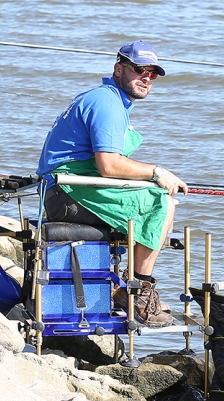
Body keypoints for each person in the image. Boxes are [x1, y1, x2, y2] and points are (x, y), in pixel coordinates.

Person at [36, 40, 187, 327]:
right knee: (162, 203)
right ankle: (138, 294)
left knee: (156, 198)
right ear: (119, 69)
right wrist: (157, 172)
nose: (146, 78)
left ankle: (126, 290)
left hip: (66, 189)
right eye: (140, 69)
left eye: (152, 74)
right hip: (68, 193)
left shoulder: (106, 99)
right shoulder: (108, 103)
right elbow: (109, 166)